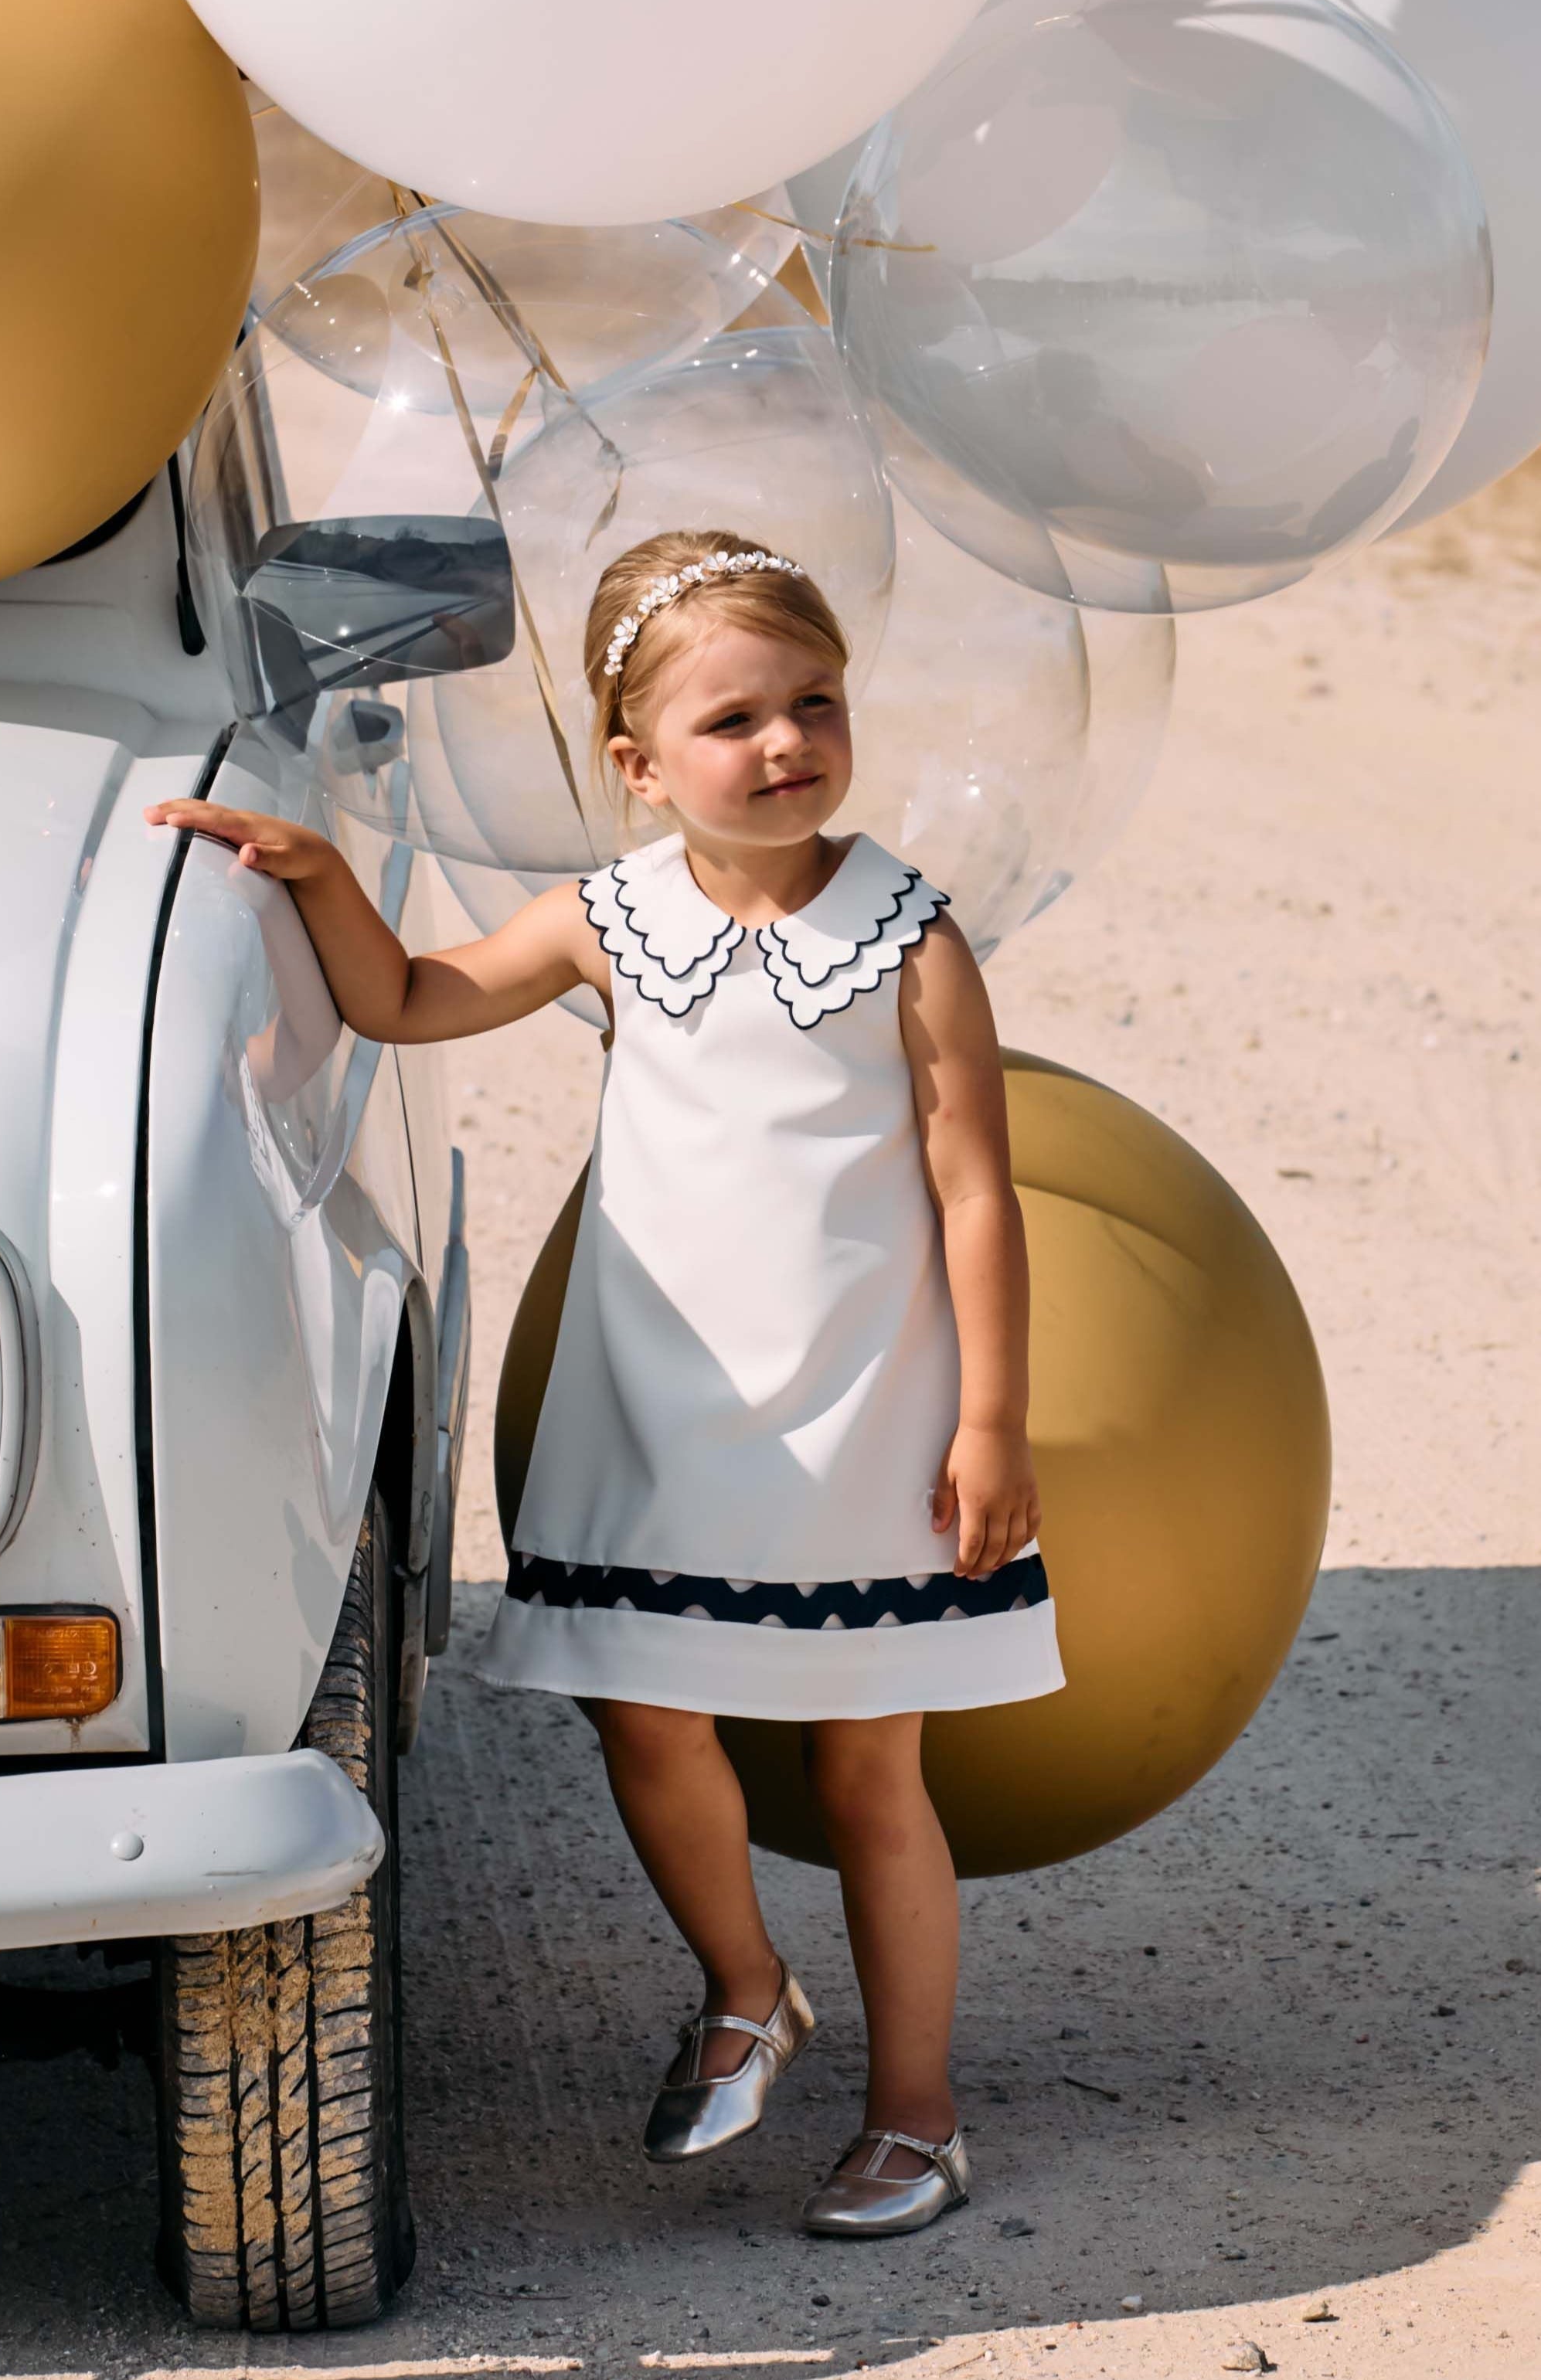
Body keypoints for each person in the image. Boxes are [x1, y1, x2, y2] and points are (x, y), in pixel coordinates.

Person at [147, 527, 1063, 2238]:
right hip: (661, 1407)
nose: (785, 743)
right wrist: (315, 875)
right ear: (639, 767)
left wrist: (992, 1419)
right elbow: (408, 1001)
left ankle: (920, 2118)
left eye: (815, 703)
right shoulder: (606, 918)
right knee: (645, 1720)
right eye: (734, 720)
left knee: (872, 1774)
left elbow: (973, 1190)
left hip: (861, 1415)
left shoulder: (908, 934)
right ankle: (746, 1988)